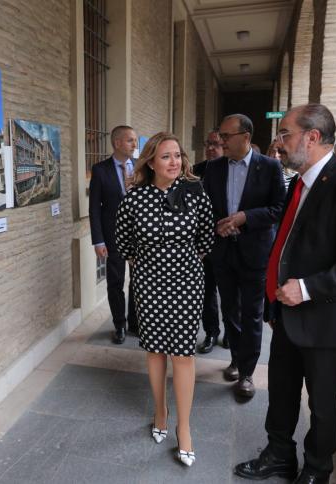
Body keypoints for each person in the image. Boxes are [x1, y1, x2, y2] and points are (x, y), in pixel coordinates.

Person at [234, 104, 336, 484]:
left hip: (328, 320)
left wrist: (306, 288)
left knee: (322, 403)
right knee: (281, 391)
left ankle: (317, 469)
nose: (278, 143)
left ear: (312, 137)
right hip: (288, 315)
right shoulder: (299, 183)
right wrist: (275, 299)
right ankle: (279, 454)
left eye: (285, 134)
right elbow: (287, 246)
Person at [115, 132, 215, 467]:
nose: (174, 162)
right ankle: (160, 411)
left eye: (178, 155)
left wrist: (179, 264)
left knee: (183, 355)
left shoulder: (196, 193)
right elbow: (123, 241)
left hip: (186, 283)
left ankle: (184, 428)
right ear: (151, 162)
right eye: (166, 157)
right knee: (155, 350)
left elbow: (206, 238)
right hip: (148, 284)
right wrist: (147, 267)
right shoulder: (134, 199)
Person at [201, 114, 285, 399]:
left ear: (246, 137)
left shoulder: (271, 167)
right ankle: (236, 358)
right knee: (230, 311)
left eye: (226, 136)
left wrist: (244, 217)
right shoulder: (213, 169)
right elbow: (205, 208)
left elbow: (279, 209)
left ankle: (247, 372)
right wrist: (215, 225)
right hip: (223, 253)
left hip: (255, 253)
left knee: (252, 314)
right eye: (220, 137)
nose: (221, 142)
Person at [89, 125, 139, 344]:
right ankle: (119, 324)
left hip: (140, 237)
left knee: (139, 280)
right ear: (117, 143)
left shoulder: (141, 168)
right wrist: (98, 240)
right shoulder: (100, 170)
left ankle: (135, 322)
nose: (135, 144)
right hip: (113, 237)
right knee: (115, 282)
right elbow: (94, 209)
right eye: (130, 140)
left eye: (135, 140)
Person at [193, 131, 228, 352]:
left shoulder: (231, 169)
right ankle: (211, 333)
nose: (210, 148)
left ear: (224, 146)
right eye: (208, 143)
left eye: (215, 144)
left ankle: (231, 334)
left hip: (226, 242)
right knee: (206, 292)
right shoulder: (196, 171)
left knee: (231, 292)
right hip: (201, 244)